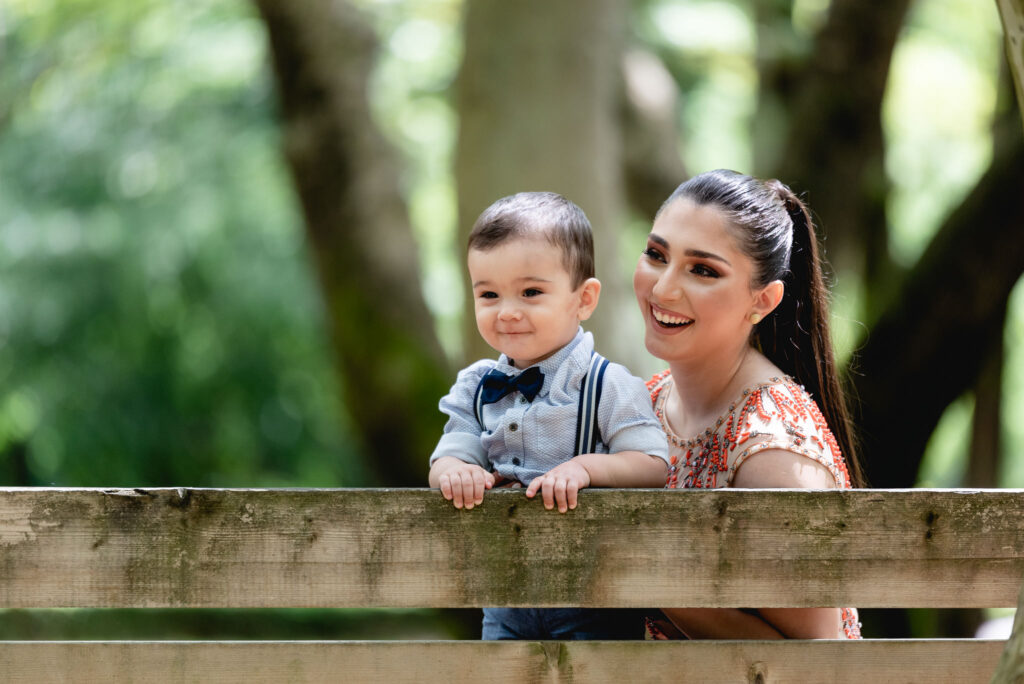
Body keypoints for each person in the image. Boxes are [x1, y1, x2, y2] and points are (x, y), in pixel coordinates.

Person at [633, 169, 865, 640]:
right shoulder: (646, 400)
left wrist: (641, 578)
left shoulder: (773, 449)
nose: (662, 289)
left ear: (762, 301)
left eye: (703, 270)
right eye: (657, 255)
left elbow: (819, 659)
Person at [429, 191, 670, 639]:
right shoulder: (476, 385)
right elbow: (450, 451)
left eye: (531, 292)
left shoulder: (608, 385)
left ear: (584, 299)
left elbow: (653, 464)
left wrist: (585, 468)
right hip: (504, 596)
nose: (507, 312)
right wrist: (456, 471)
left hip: (593, 597)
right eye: (488, 294)